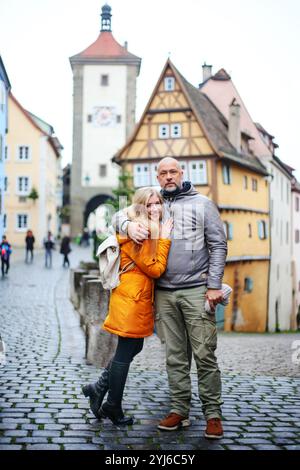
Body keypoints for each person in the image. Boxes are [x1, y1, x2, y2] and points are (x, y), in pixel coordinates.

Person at [114, 157, 228, 439]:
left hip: (196, 289)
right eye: (162, 173)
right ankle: (179, 409)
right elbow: (116, 216)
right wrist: (128, 226)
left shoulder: (202, 204)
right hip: (163, 293)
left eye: (172, 172)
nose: (168, 177)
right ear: (157, 176)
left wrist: (213, 286)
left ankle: (213, 414)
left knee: (204, 354)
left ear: (181, 173)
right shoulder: (154, 202)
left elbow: (218, 244)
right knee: (175, 357)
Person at [82, 187, 173, 425]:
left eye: (157, 204)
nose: (154, 208)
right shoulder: (140, 232)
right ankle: (113, 405)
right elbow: (155, 269)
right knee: (125, 350)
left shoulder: (142, 226)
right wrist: (165, 239)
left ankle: (98, 388)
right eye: (149, 205)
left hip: (135, 297)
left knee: (134, 348)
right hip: (132, 298)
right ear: (139, 207)